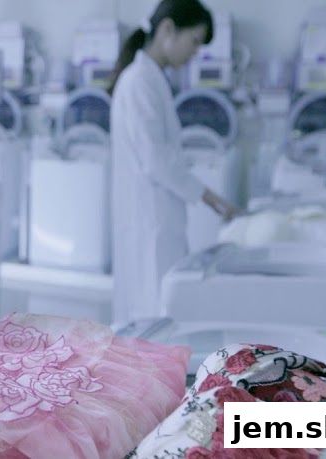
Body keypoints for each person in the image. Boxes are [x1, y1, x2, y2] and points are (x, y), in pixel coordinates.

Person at [109, 0, 241, 323]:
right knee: (150, 311)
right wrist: (210, 197)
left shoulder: (152, 79)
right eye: (194, 41)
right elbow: (156, 159)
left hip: (158, 217)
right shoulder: (139, 81)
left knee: (159, 309)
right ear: (168, 29)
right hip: (147, 220)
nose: (195, 52)